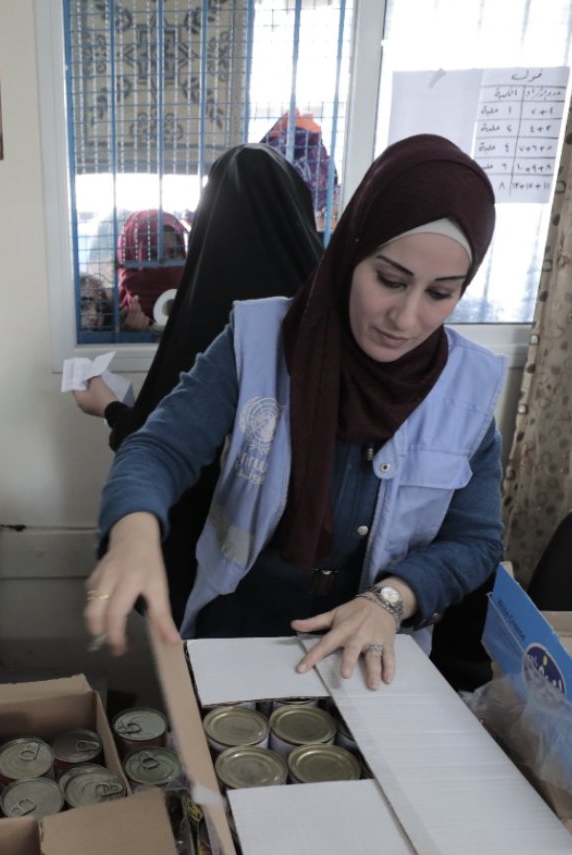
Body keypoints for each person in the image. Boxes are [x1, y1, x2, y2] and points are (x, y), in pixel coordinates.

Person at [84, 135, 505, 691]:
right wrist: (135, 528)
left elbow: (476, 540)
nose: (405, 318)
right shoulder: (258, 341)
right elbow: (160, 448)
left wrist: (392, 598)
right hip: (244, 626)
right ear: (351, 252)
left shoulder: (467, 388)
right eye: (390, 281)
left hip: (373, 648)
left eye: (440, 294)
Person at [73, 143, 324, 623]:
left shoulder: (219, 319)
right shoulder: (329, 316)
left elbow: (161, 443)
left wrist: (109, 408)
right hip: (317, 580)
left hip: (219, 581)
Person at [115, 209, 188, 332]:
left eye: (173, 253)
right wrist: (131, 337)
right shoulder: (107, 313)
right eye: (153, 255)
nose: (165, 264)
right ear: (131, 256)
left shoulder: (195, 300)